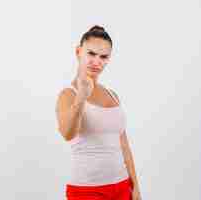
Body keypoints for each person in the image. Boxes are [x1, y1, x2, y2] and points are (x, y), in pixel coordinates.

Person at [55, 25, 142, 200]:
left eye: (104, 57)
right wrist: (81, 98)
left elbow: (124, 145)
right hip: (87, 190)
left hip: (122, 185)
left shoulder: (112, 95)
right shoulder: (68, 94)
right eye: (91, 54)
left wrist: (135, 186)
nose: (97, 61)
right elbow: (67, 134)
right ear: (79, 51)